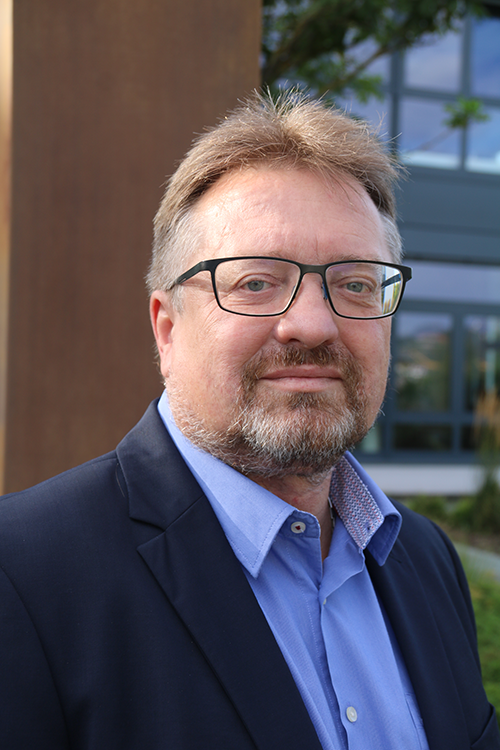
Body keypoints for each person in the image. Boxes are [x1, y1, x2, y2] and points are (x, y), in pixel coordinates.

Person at [0, 91, 498, 750]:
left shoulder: (427, 560)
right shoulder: (23, 574)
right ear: (167, 328)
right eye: (257, 282)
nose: (313, 325)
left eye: (355, 284)